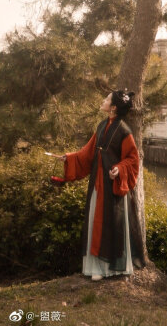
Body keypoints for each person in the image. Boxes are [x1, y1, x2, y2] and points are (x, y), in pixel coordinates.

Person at [54, 90, 145, 281]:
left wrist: (119, 169)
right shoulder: (102, 125)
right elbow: (88, 153)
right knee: (96, 223)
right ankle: (96, 267)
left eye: (106, 99)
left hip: (113, 187)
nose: (102, 101)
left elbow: (133, 159)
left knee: (113, 225)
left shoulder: (124, 130)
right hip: (97, 182)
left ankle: (112, 269)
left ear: (113, 108)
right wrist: (69, 158)